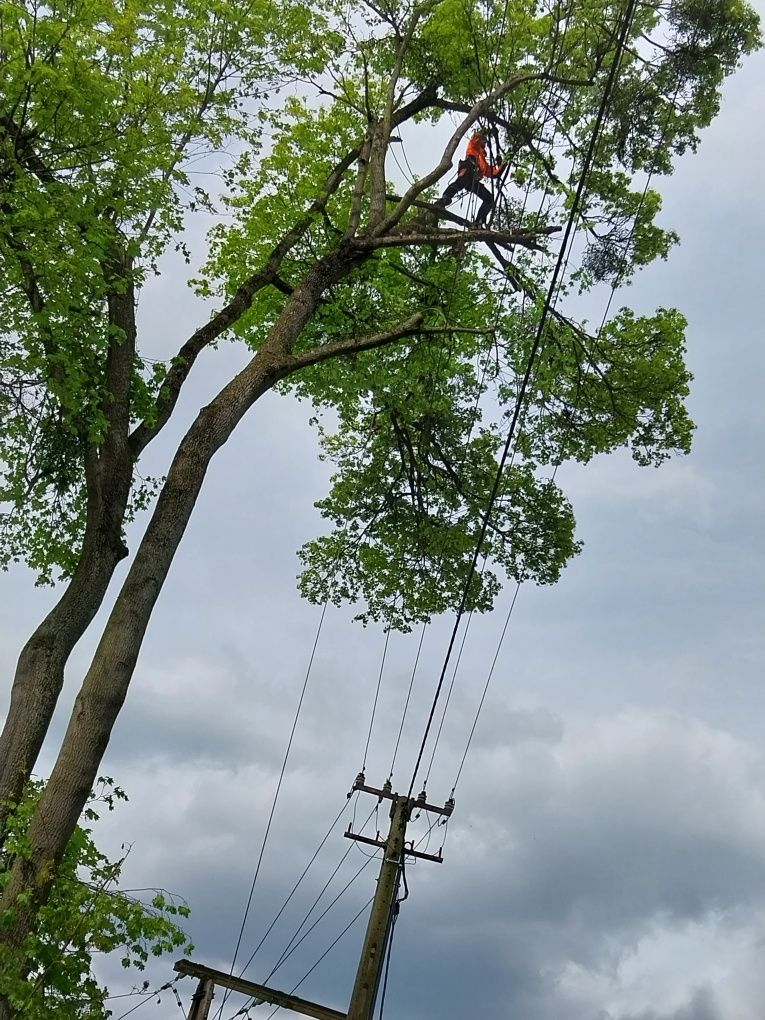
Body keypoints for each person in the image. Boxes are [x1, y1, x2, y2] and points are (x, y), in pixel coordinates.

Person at [437, 127, 505, 226]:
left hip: (474, 180)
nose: (484, 143)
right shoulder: (473, 147)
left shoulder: (484, 162)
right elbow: (476, 137)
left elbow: (494, 173)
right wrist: (486, 131)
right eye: (484, 141)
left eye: (485, 142)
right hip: (468, 170)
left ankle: (479, 221)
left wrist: (504, 163)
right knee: (460, 182)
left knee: (489, 199)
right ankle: (446, 197)